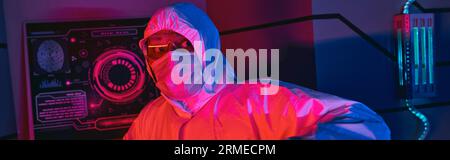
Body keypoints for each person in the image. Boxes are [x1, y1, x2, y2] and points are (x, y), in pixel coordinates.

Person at [123, 3, 390, 140]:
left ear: (205, 47)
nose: (170, 58)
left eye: (181, 45)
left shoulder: (258, 100)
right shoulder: (151, 119)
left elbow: (366, 123)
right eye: (158, 49)